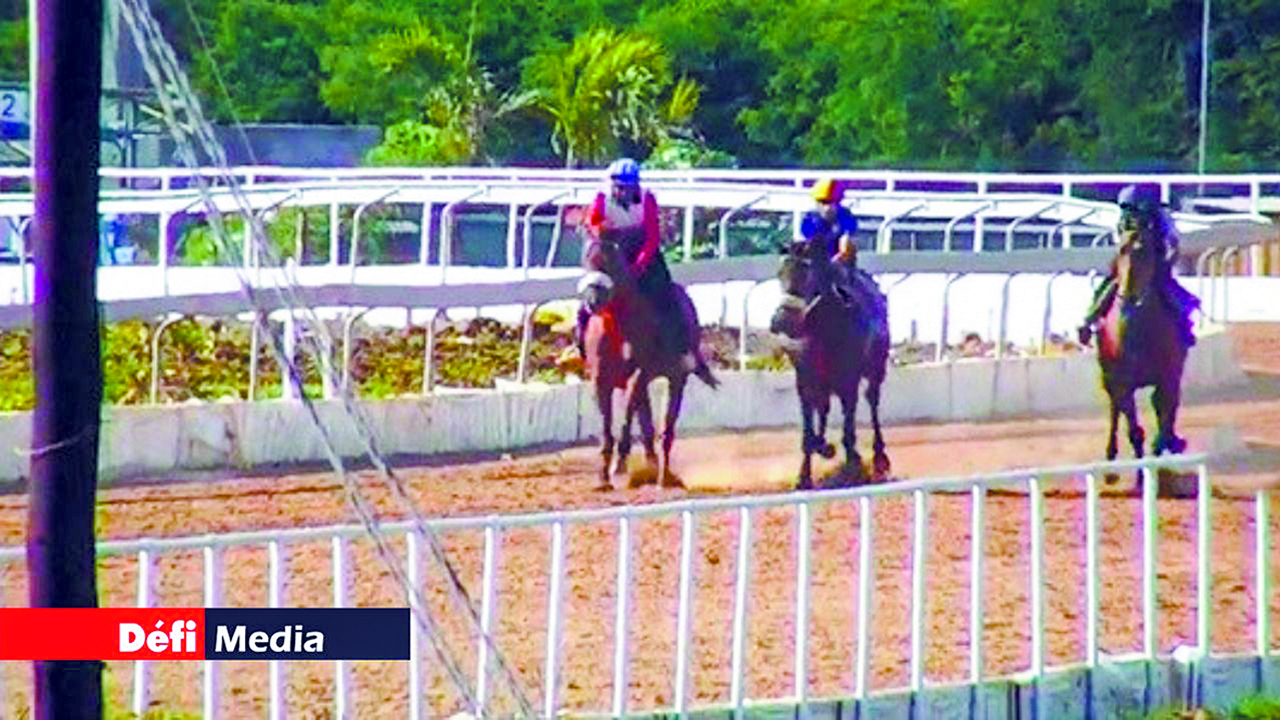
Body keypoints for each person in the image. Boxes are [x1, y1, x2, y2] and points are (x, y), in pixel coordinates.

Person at [575, 157, 700, 370]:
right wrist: (602, 231)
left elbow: (652, 236)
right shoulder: (601, 197)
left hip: (642, 249)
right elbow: (592, 221)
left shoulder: (647, 198)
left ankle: (681, 348)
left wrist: (639, 266)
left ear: (635, 186)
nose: (621, 192)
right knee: (589, 296)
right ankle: (580, 345)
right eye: (618, 187)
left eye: (626, 187)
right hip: (610, 248)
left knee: (665, 293)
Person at [1078, 184, 1200, 347]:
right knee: (1109, 284)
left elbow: (1173, 243)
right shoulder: (1123, 220)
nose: (1130, 213)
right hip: (1127, 260)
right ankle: (1089, 322)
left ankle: (1185, 326)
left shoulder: (1161, 219)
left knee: (1171, 290)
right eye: (1128, 208)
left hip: (1155, 261)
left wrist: (1167, 262)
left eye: (1133, 208)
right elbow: (1119, 244)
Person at [798, 178, 885, 330]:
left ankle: (855, 310)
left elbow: (847, 240)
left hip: (842, 262)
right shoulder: (810, 220)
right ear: (817, 203)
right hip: (817, 263)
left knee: (845, 279)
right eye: (824, 202)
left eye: (832, 202)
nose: (828, 207)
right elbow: (809, 244)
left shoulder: (846, 217)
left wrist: (839, 256)